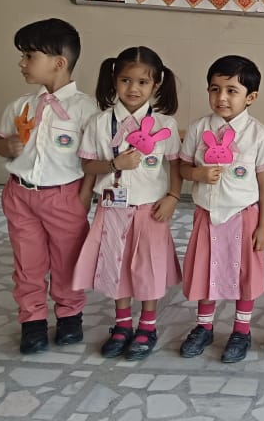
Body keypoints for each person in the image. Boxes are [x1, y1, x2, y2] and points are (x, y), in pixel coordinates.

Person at [0, 18, 98, 354]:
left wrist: (84, 198)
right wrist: (6, 146)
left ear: (59, 62)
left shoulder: (86, 110)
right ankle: (33, 321)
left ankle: (70, 316)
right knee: (28, 262)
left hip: (65, 198)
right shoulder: (20, 106)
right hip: (20, 195)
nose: (22, 63)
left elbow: (92, 159)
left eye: (29, 56)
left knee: (67, 261)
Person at [74, 46, 182, 361]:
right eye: (125, 80)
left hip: (151, 210)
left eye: (143, 82)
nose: (133, 88)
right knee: (115, 265)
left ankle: (147, 326)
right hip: (112, 208)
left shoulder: (165, 125)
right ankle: (122, 325)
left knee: (148, 268)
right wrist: (115, 164)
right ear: (114, 80)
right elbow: (87, 166)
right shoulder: (99, 123)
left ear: (156, 84)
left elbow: (175, 166)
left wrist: (173, 196)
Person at [177, 55, 264, 363]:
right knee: (207, 270)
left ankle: (241, 331)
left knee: (244, 274)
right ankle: (204, 326)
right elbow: (182, 167)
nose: (221, 97)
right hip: (207, 215)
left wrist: (263, 226)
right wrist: (197, 174)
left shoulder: (258, 134)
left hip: (243, 216)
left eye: (232, 90)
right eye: (215, 89)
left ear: (251, 97)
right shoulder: (198, 129)